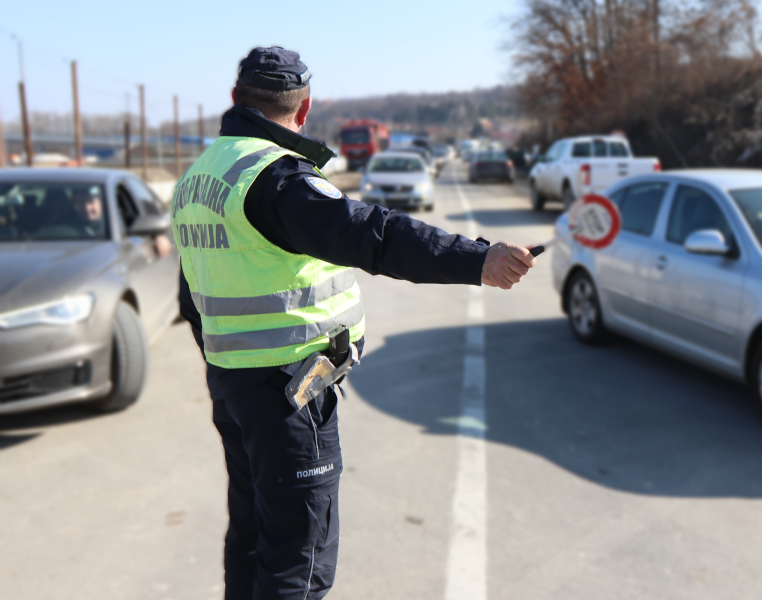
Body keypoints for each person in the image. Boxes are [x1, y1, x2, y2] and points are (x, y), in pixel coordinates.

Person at [175, 47, 535, 600]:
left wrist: (231, 363)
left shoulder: (199, 178)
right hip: (290, 394)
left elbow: (192, 295)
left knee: (251, 539)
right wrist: (477, 259)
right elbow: (374, 233)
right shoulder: (276, 179)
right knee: (298, 561)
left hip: (234, 386)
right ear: (304, 109)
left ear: (235, 100)